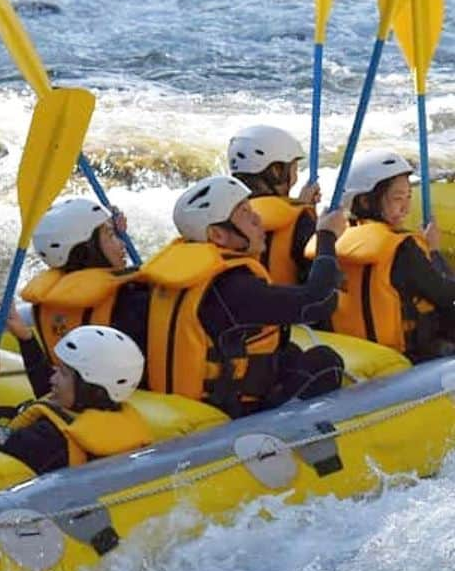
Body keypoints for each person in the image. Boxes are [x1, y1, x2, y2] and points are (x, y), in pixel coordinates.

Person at [142, 175, 346, 418]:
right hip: (233, 413)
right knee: (325, 363)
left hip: (188, 401)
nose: (258, 219)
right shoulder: (234, 287)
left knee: (288, 352)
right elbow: (318, 302)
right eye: (245, 214)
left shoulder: (173, 275)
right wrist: (326, 236)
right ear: (218, 235)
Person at [0, 196, 149, 396]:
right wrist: (25, 337)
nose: (122, 244)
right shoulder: (131, 300)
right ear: (87, 248)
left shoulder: (46, 305)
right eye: (111, 235)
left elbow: (48, 391)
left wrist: (27, 339)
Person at [0, 325, 151, 475]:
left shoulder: (49, 439)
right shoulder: (109, 415)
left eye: (63, 372)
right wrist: (26, 339)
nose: (53, 378)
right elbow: (53, 399)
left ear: (89, 388)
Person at [327, 150, 455, 361]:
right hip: (407, 357)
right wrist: (434, 252)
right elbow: (445, 294)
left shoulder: (333, 238)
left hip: (355, 350)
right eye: (397, 198)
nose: (405, 208)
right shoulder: (401, 248)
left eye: (408, 197)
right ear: (366, 202)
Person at [227, 124, 321, 285]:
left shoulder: (222, 216)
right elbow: (321, 282)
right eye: (294, 169)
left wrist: (299, 205)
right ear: (277, 171)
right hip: (287, 307)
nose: (296, 176)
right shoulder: (300, 221)